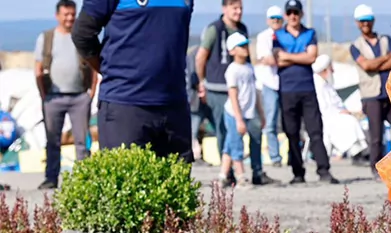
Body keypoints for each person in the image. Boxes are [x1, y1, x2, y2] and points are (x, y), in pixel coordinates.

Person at [72, 0, 194, 163]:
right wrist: (108, 70)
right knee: (125, 185)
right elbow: (82, 34)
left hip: (174, 105)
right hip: (125, 105)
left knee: (177, 186)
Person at [34, 0, 97, 190]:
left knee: (82, 140)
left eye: (72, 14)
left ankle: (84, 179)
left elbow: (93, 64)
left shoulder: (81, 36)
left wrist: (91, 92)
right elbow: (37, 68)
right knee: (52, 140)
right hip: (53, 97)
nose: (69, 18)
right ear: (57, 15)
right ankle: (51, 177)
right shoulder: (46, 38)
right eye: (66, 14)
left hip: (79, 96)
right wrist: (43, 95)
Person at [274, 0, 337, 184]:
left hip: (307, 90)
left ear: (301, 14)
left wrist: (289, 56)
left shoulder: (310, 33)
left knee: (315, 130)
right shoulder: (277, 35)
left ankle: (324, 170)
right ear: (286, 15)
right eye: (290, 12)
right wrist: (300, 57)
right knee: (291, 132)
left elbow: (312, 57)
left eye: (296, 12)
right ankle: (298, 173)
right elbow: (277, 59)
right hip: (287, 90)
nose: (293, 16)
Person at [196, 0, 256, 185]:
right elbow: (201, 56)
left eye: (240, 8)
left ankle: (239, 172)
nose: (238, 12)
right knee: (224, 132)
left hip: (241, 90)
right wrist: (201, 82)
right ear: (225, 8)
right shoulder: (215, 29)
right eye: (234, 8)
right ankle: (232, 173)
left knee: (245, 132)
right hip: (217, 87)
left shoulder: (242, 29)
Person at [349, 4, 391, 174]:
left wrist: (376, 64)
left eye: (368, 20)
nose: (365, 24)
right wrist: (387, 58)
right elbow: (366, 65)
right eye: (362, 21)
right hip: (371, 95)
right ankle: (376, 167)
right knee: (376, 135)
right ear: (357, 23)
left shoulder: (386, 39)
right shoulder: (355, 45)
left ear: (373, 21)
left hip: (389, 92)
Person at [220, 33, 262, 189]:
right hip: (234, 113)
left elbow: (254, 91)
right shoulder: (232, 70)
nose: (245, 48)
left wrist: (260, 112)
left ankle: (223, 175)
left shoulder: (249, 67)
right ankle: (241, 177)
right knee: (237, 144)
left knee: (229, 145)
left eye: (246, 45)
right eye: (241, 46)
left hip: (248, 112)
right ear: (232, 51)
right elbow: (233, 94)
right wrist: (238, 118)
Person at [256, 5, 285, 167]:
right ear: (268, 20)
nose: (275, 21)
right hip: (270, 83)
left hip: (286, 83)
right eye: (273, 18)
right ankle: (275, 157)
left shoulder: (287, 35)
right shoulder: (263, 37)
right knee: (271, 121)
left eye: (278, 18)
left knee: (290, 121)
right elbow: (268, 59)